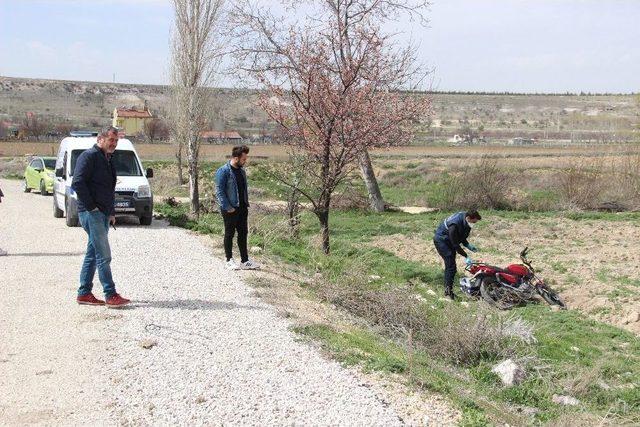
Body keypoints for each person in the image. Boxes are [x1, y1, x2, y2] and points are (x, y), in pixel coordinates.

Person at [72, 126, 130, 307]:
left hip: (103, 214)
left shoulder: (108, 159)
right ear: (100, 139)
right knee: (104, 256)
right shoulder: (89, 156)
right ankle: (110, 294)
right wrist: (92, 207)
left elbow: (108, 188)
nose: (114, 143)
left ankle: (84, 293)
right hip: (91, 213)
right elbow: (78, 182)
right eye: (111, 140)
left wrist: (111, 212)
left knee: (93, 254)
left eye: (116, 141)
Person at [215, 145, 260, 271]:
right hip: (230, 208)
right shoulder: (223, 171)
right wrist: (227, 207)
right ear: (236, 158)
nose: (245, 161)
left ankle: (245, 261)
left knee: (243, 234)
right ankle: (229, 260)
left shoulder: (241, 171)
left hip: (242, 208)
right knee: (229, 234)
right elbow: (219, 191)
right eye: (243, 159)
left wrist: (245, 204)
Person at [433, 209, 482, 300]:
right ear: (468, 218)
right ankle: (448, 293)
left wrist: (467, 245)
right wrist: (466, 256)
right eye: (474, 221)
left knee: (452, 266)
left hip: (449, 240)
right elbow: (455, 243)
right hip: (441, 240)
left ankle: (449, 290)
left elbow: (461, 236)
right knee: (451, 267)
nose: (474, 224)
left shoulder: (466, 220)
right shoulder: (454, 225)